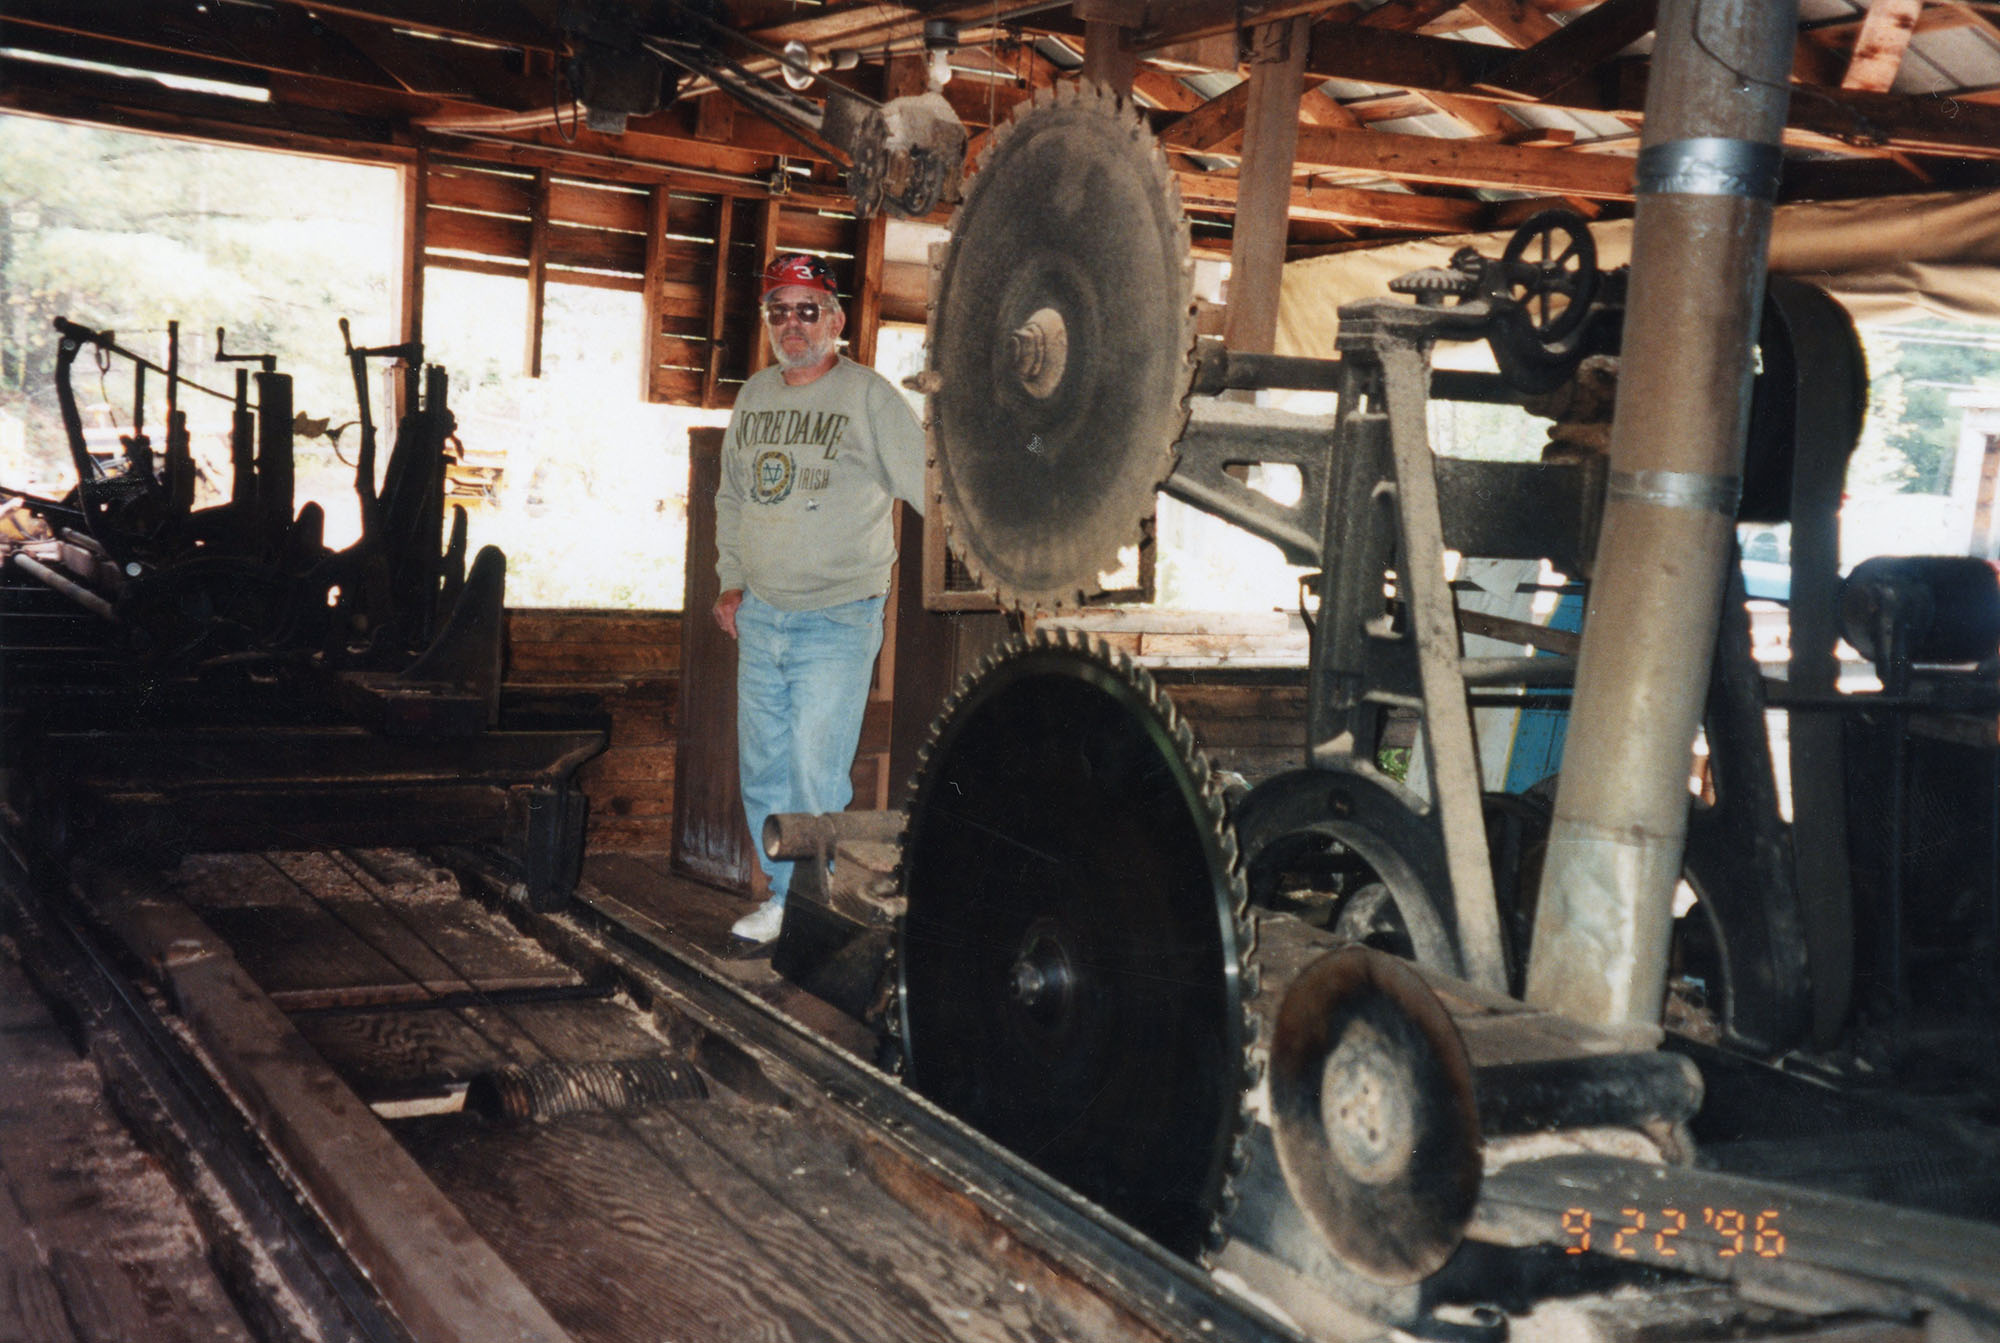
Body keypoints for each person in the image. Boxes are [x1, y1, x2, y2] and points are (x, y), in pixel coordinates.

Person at [713, 253, 926, 943]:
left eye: (808, 310)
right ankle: (784, 899)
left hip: (838, 616)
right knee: (763, 766)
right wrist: (731, 579)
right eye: (779, 309)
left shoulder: (868, 397)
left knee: (813, 768)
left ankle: (814, 910)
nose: (792, 324)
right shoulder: (754, 396)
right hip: (763, 613)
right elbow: (735, 496)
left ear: (835, 319)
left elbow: (929, 485)